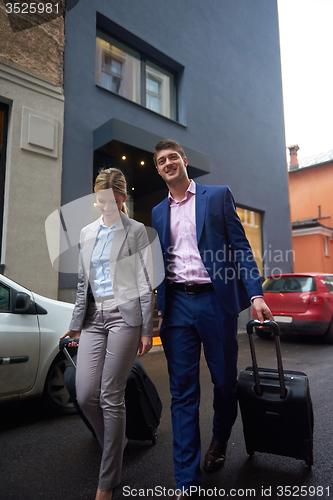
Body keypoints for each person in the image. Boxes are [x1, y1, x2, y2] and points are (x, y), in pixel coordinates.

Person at [151, 139, 273, 499]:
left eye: (173, 157)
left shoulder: (218, 196)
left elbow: (241, 248)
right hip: (176, 306)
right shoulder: (158, 212)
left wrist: (256, 295)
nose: (168, 163)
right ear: (158, 170)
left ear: (185, 161)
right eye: (161, 161)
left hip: (214, 303)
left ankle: (219, 439)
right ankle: (186, 483)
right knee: (182, 394)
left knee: (223, 383)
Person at [60, 167, 156, 500]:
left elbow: (145, 282)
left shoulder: (136, 231)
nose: (106, 207)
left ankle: (107, 481)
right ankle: (116, 446)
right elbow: (83, 284)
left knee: (109, 395)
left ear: (123, 199)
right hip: (92, 320)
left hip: (125, 318)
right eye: (100, 201)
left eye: (112, 202)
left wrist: (147, 329)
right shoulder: (87, 233)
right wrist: (75, 322)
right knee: (85, 393)